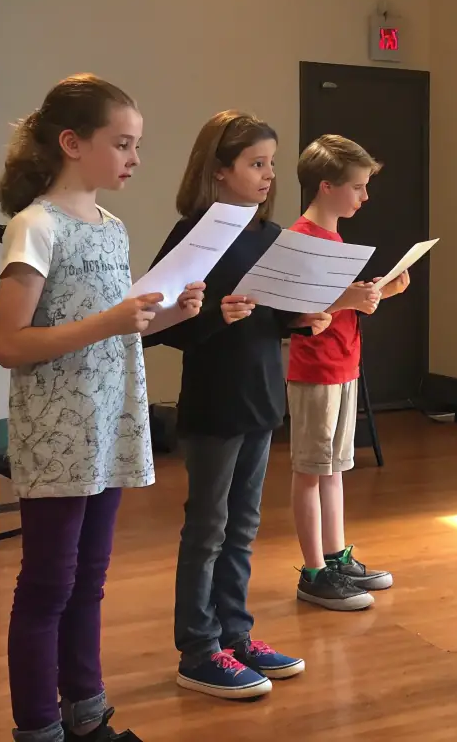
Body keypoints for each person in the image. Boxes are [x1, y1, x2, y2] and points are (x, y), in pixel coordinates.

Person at [0, 74, 206, 742]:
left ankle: (87, 713)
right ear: (70, 143)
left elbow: (120, 327)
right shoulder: (34, 226)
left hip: (107, 426)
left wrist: (170, 313)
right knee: (48, 585)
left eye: (135, 145)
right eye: (121, 143)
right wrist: (116, 320)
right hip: (58, 431)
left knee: (89, 580)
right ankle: (37, 726)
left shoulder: (112, 227)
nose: (133, 159)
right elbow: (10, 343)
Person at [144, 111, 338, 700]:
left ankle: (236, 633)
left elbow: (275, 317)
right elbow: (154, 326)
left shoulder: (268, 236)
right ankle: (198, 648)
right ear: (220, 170)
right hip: (213, 402)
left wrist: (304, 322)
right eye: (256, 164)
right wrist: (210, 317)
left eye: (271, 165)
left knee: (245, 526)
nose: (267, 176)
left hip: (260, 398)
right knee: (208, 527)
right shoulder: (192, 236)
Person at [288, 135, 409, 611]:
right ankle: (314, 570)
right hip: (315, 369)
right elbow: (298, 311)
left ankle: (336, 556)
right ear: (326, 186)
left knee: (336, 467)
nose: (364, 196)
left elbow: (336, 306)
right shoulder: (300, 237)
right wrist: (350, 299)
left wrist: (379, 293)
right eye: (357, 187)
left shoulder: (333, 238)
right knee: (311, 470)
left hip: (343, 364)